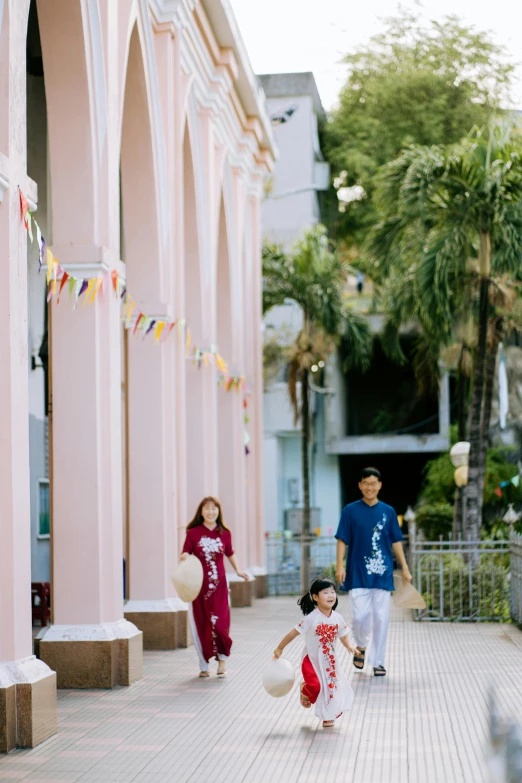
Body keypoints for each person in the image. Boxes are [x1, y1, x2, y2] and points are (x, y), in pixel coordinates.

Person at [335, 467, 412, 677]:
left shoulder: (388, 512)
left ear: (380, 486)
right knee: (360, 616)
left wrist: (404, 567)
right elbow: (342, 539)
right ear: (360, 486)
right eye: (365, 483)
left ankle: (378, 661)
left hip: (382, 573)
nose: (370, 487)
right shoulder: (350, 511)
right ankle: (360, 646)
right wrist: (339, 565)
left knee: (381, 618)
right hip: (357, 573)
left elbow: (396, 541)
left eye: (373, 483)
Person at [273, 577, 357, 728]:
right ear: (315, 597)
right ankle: (304, 689)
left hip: (329, 661)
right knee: (315, 686)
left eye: (333, 591)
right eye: (326, 592)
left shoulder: (338, 618)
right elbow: (293, 633)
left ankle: (328, 716)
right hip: (311, 660)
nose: (331, 595)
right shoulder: (311, 618)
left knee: (330, 688)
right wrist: (280, 648)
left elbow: (343, 636)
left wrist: (349, 646)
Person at [181, 496, 249, 678]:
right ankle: (203, 665)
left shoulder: (225, 533)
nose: (211, 512)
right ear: (201, 512)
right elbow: (186, 551)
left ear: (218, 512)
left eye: (214, 509)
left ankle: (222, 660)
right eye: (207, 508)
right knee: (201, 623)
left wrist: (238, 570)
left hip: (219, 588)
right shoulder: (193, 533)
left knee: (220, 625)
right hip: (198, 588)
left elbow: (230, 553)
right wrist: (184, 557)